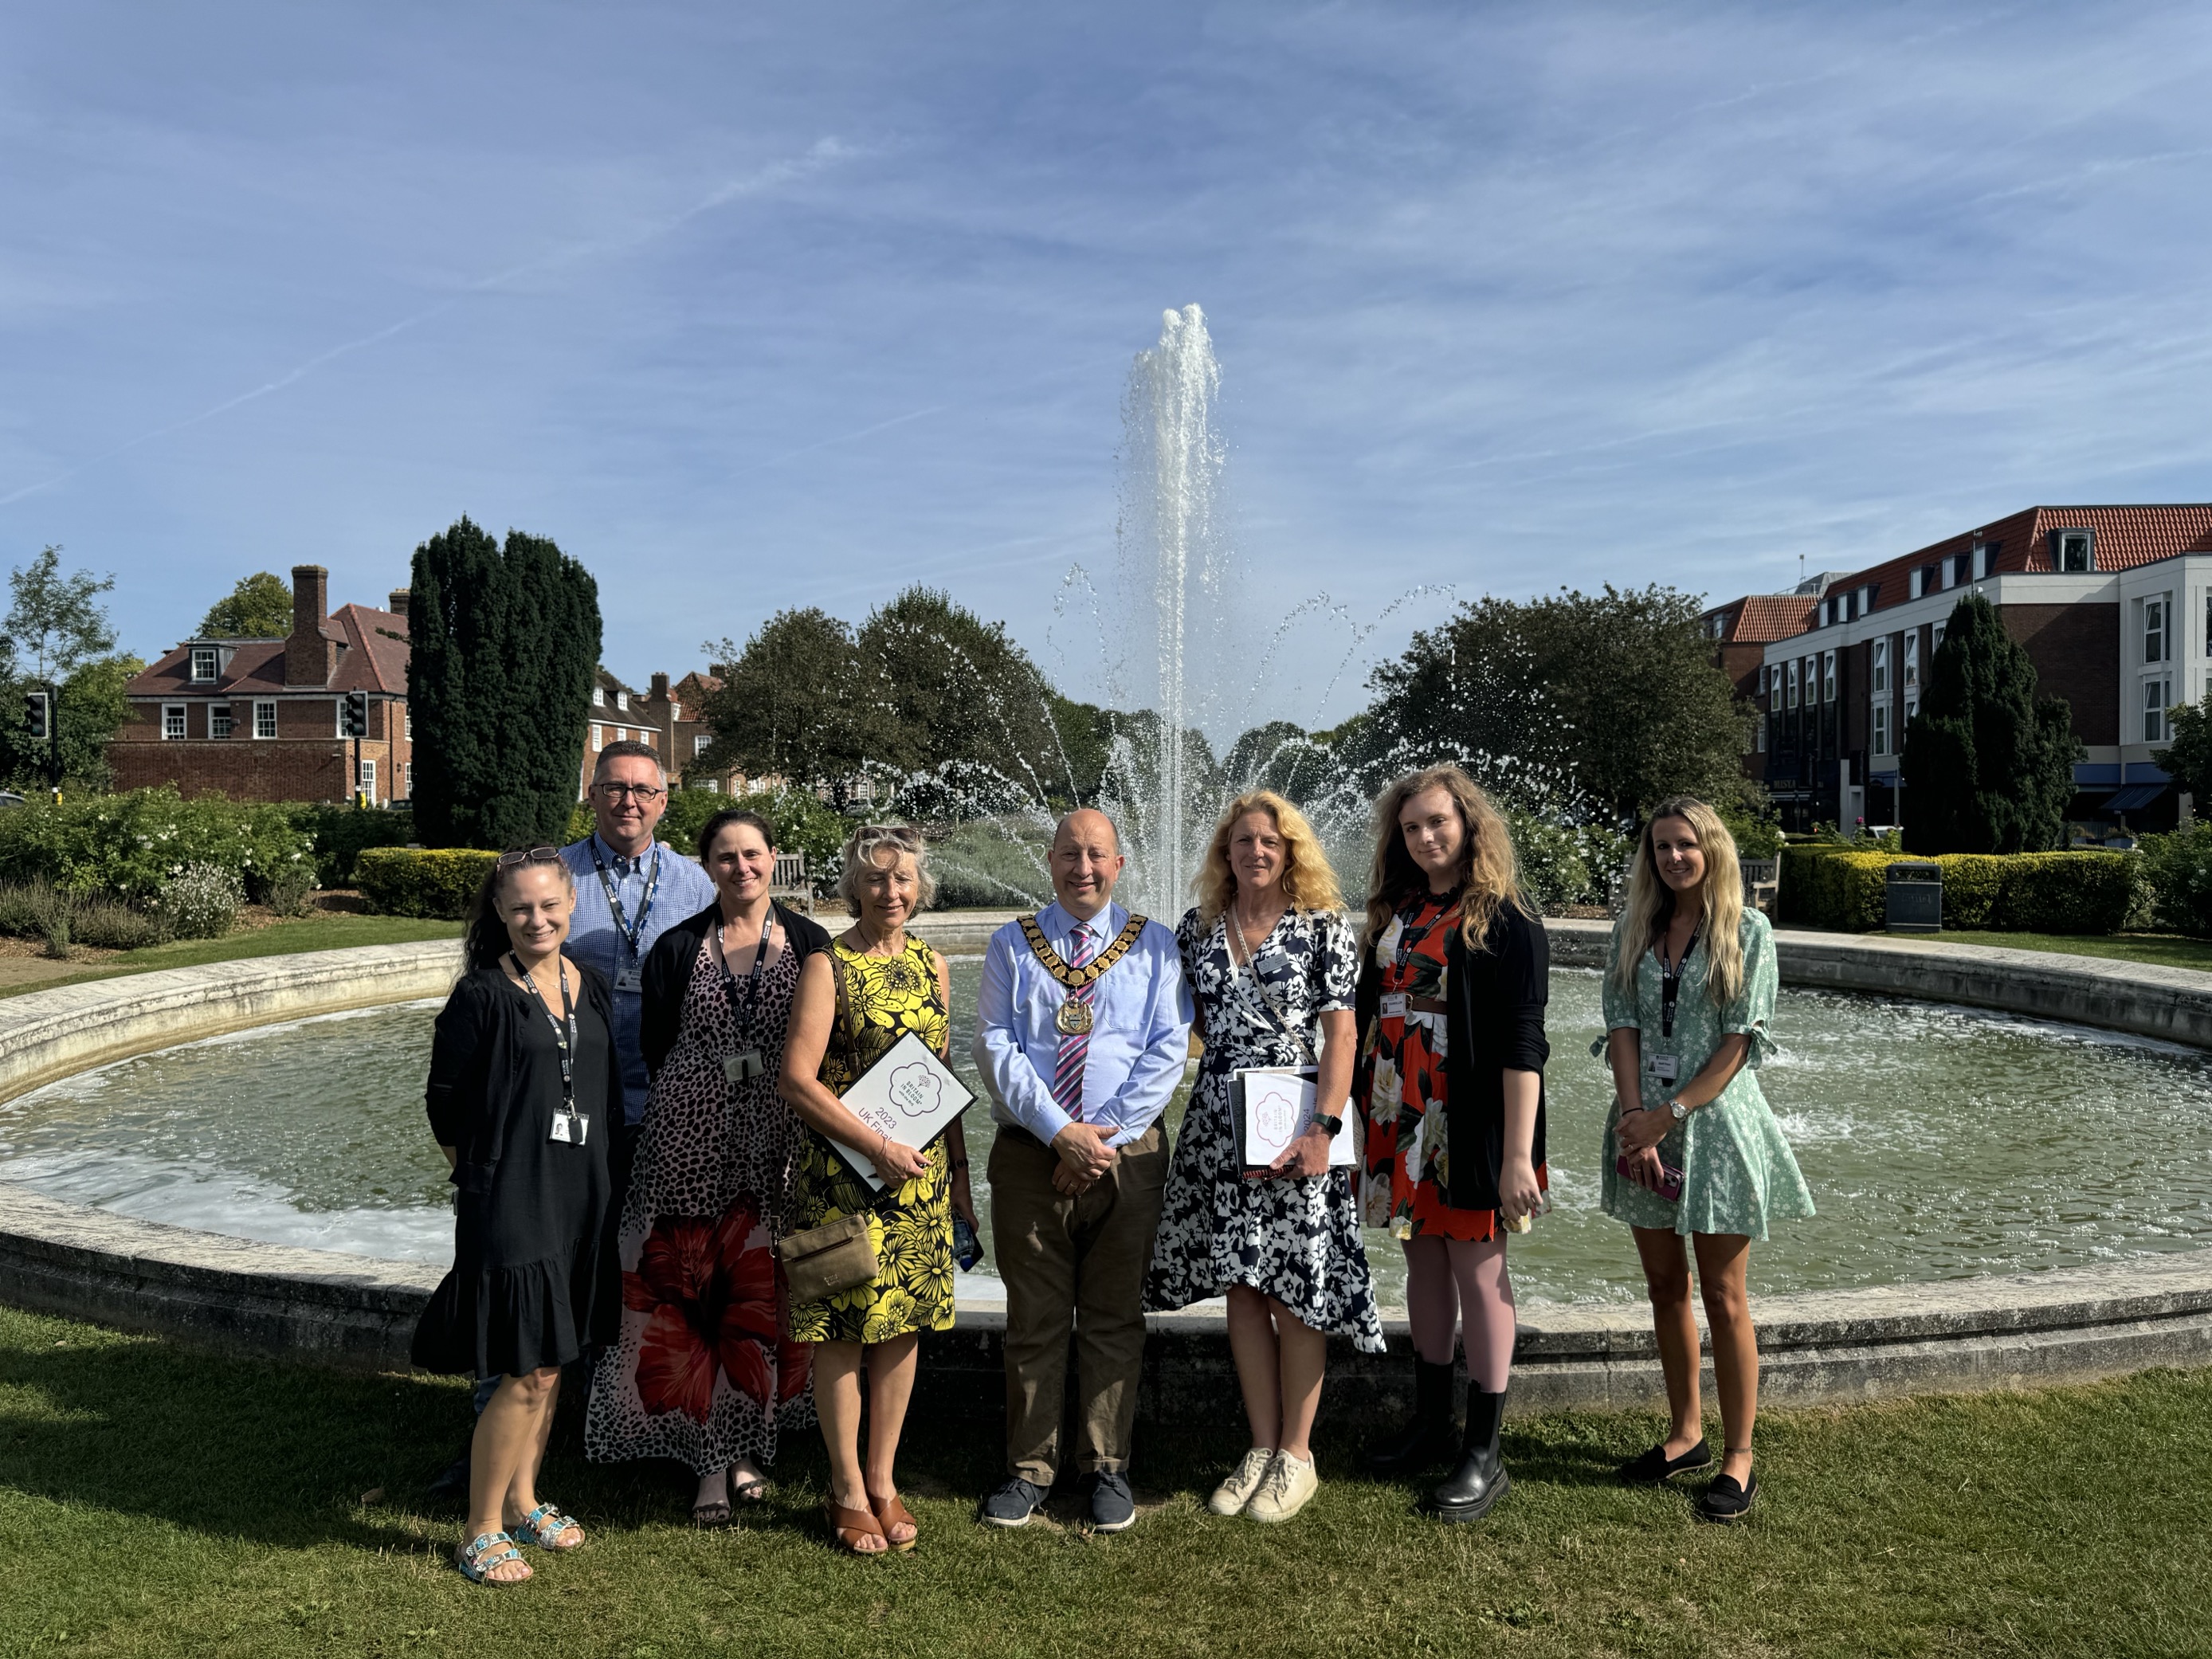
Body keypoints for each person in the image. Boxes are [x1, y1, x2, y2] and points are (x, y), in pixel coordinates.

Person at [585, 809, 830, 1523]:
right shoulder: (677, 946)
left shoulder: (812, 944)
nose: (741, 867)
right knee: (694, 1297)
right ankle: (708, 1460)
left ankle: (751, 1442)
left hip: (780, 1139)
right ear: (708, 867)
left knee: (761, 1294)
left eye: (752, 854)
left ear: (772, 857)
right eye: (725, 857)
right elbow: (660, 1045)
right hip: (689, 1141)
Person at [1142, 791, 1380, 1524]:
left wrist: (1324, 1126)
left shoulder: (1321, 931)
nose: (1256, 852)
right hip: (1221, 1121)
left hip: (1297, 1116)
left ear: (1292, 851)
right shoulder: (1199, 929)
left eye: (1270, 842)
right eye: (1243, 841)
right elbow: (1176, 1024)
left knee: (1296, 1287)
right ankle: (1260, 1444)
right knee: (1243, 1287)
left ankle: (1298, 1456)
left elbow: (1342, 1035)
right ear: (1226, 852)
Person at [972, 808, 1192, 1533]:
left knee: (1112, 1317)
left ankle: (1107, 1467)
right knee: (1032, 1319)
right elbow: (997, 1046)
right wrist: (1061, 1133)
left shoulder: (1154, 947)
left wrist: (1102, 1142)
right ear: (1050, 859)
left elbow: (1166, 1050)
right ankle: (1030, 1469)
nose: (1083, 867)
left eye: (1098, 855)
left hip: (1128, 1160)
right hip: (1033, 1155)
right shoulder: (1013, 944)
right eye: (1070, 853)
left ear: (1119, 865)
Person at [1600, 794, 1812, 1523]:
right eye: (1660, 846)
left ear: (1711, 849)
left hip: (1714, 1128)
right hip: (1641, 1128)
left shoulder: (1748, 932)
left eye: (1685, 844)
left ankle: (1738, 1456)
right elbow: (1623, 1025)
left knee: (1723, 1295)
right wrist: (1635, 1119)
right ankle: (1685, 1434)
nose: (1672, 857)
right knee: (1665, 1287)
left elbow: (1737, 1047)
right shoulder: (1634, 930)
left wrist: (1668, 1115)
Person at [411, 847, 621, 1585]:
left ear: (571, 905)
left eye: (549, 905)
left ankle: (526, 1499)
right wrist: (477, 1181)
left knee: (558, 1359)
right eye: (521, 907)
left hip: (580, 1197)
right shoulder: (481, 996)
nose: (537, 918)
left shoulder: (586, 985)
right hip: (511, 1201)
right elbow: (444, 1103)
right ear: (499, 913)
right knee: (525, 1367)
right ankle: (480, 1528)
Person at [1353, 766, 1549, 1523]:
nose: (1426, 836)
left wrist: (1513, 1155)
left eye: (1439, 822)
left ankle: (1484, 1449)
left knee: (1477, 1265)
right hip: (1400, 1111)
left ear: (1468, 823)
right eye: (1411, 827)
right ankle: (1430, 1423)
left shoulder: (1505, 916)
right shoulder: (1397, 909)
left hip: (1469, 1118)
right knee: (1423, 1259)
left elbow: (1523, 1043)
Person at [779, 824, 978, 1555]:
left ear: (918, 888)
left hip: (917, 1184)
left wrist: (958, 1180)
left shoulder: (933, 965)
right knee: (841, 1336)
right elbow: (796, 1081)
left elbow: (939, 1082)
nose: (889, 892)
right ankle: (846, 1490)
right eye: (874, 879)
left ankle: (884, 1480)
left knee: (900, 1333)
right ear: (853, 887)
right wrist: (877, 1146)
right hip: (845, 1179)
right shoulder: (827, 966)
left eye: (901, 880)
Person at [559, 739, 718, 1247]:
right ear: (592, 794)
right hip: (583, 1093)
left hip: (671, 1099)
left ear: (663, 801)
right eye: (615, 788)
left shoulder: (695, 885)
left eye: (643, 790)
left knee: (668, 1245)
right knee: (589, 1241)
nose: (630, 801)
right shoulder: (557, 877)